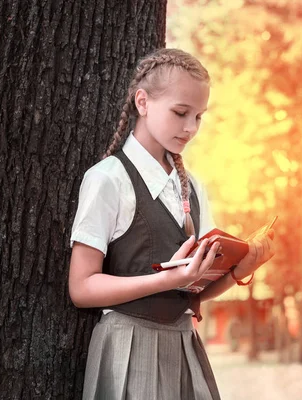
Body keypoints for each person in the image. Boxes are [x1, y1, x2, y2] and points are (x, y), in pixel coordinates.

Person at [68, 48, 275, 400]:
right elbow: (82, 288)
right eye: (180, 113)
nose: (190, 128)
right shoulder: (108, 179)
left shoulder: (193, 188)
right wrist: (168, 278)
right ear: (142, 102)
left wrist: (241, 270)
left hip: (183, 343)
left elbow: (195, 290)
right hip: (128, 344)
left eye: (199, 117)